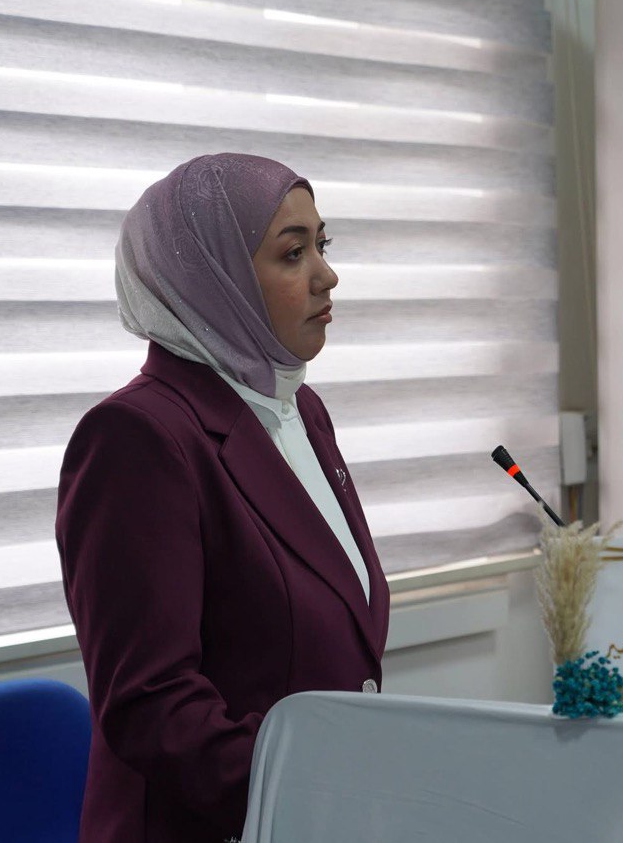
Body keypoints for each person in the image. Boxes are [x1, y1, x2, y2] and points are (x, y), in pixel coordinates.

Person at [55, 153, 390, 842]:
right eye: (293, 253)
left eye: (322, 245)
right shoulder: (137, 436)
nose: (327, 275)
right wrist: (317, 791)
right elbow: (151, 703)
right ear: (214, 277)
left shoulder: (299, 410)